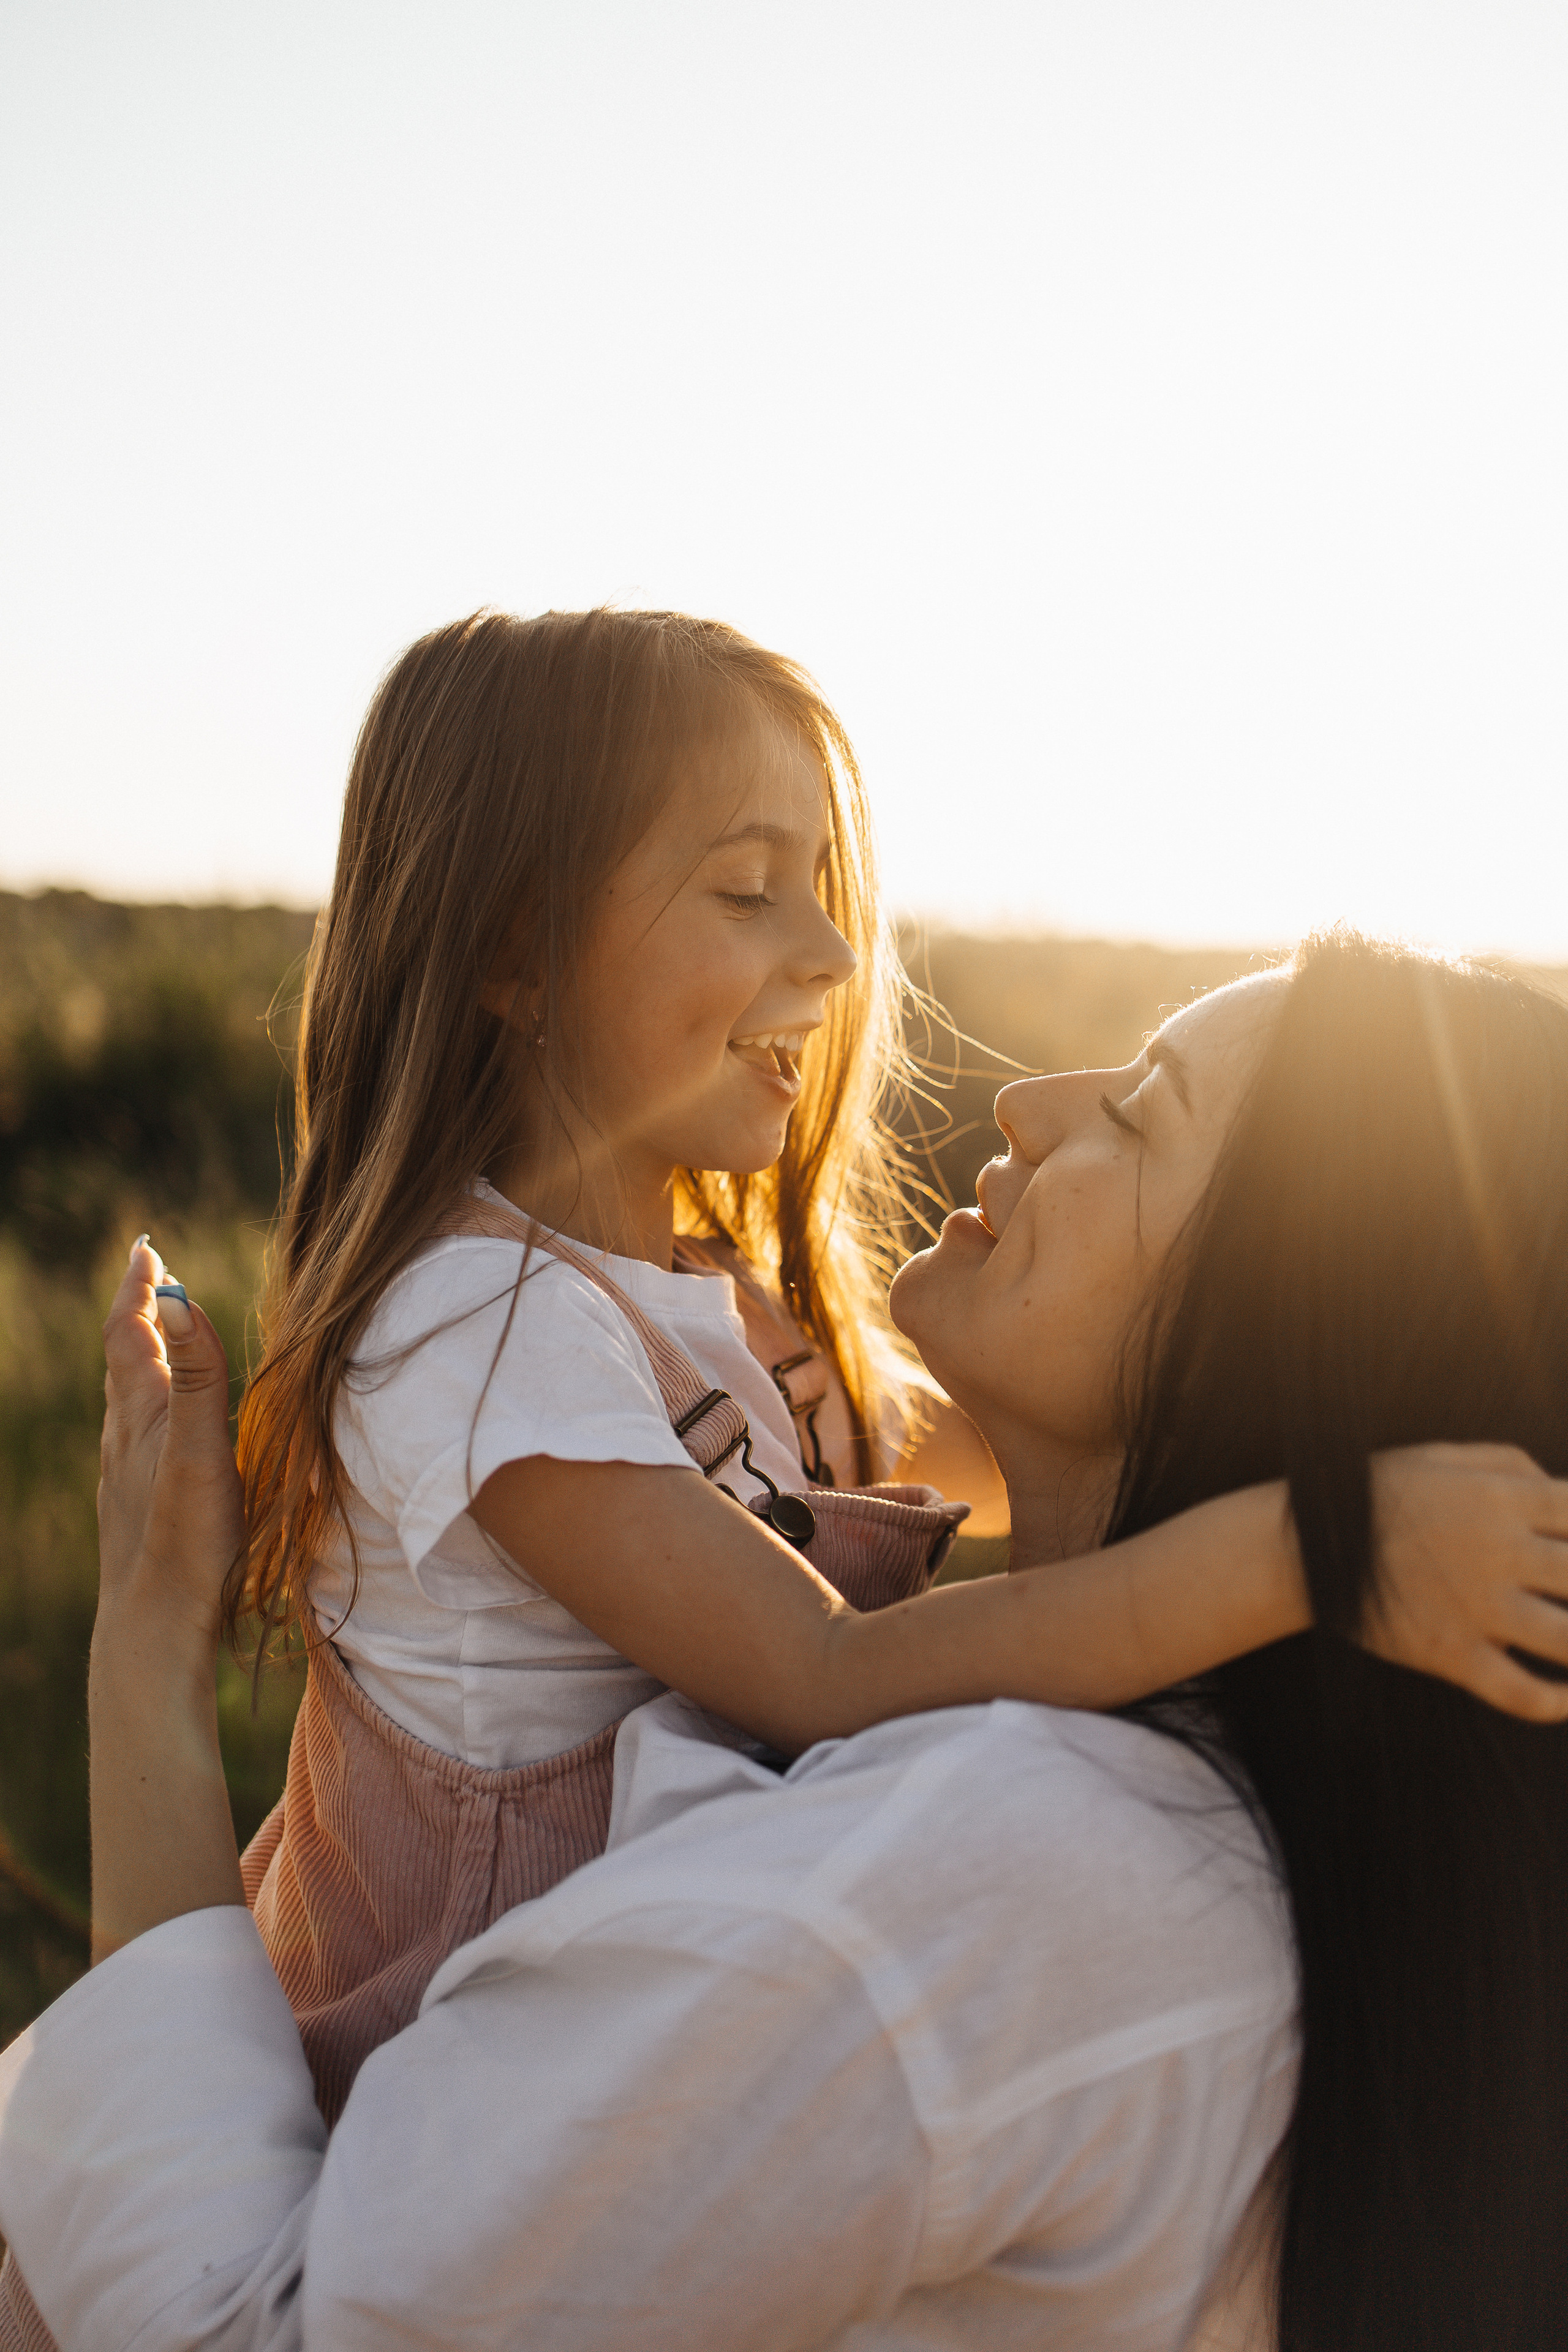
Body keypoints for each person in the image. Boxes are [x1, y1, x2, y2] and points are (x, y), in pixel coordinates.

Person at [4, 933, 1568, 2349]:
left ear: (1295, 1324)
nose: (1028, 1102)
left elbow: (234, 2335)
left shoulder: (976, 1882)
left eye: (1141, 1115)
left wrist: (149, 1638)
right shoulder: (1281, 1872)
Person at [210, 605, 1531, 2122]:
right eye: (750, 892)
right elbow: (821, 1670)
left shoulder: (706, 1306)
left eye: (823, 893)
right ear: (516, 946)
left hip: (650, 2050)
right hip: (438, 2098)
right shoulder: (482, 1327)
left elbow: (970, 1440)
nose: (833, 955)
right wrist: (1313, 1540)